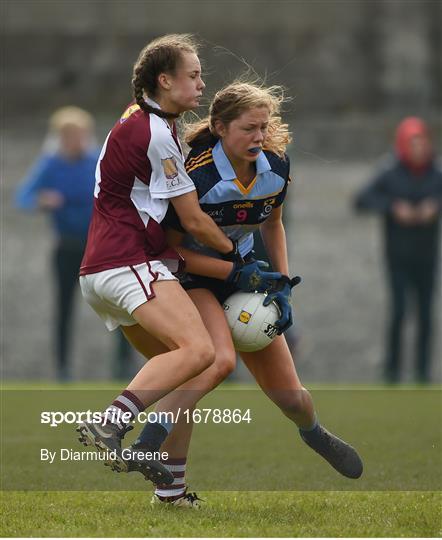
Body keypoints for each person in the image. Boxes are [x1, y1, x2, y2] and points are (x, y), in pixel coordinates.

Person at [120, 81, 363, 507]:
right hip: (191, 278)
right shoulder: (198, 174)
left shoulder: (276, 165)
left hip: (245, 274)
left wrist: (282, 283)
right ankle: (151, 446)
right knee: (214, 360)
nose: (259, 137)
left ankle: (314, 433)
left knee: (292, 398)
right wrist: (234, 271)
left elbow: (272, 223)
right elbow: (170, 248)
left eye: (264, 128)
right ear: (220, 127)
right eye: (249, 128)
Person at [76, 35, 280, 484]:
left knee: (182, 372)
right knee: (200, 351)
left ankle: (171, 486)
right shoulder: (156, 133)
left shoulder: (144, 121)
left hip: (103, 268)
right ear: (164, 81)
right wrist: (239, 261)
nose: (201, 85)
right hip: (126, 261)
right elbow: (195, 220)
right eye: (193, 76)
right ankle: (109, 423)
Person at [355, 117, 442, 383]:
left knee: (426, 314)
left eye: (422, 142)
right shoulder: (390, 171)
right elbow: (361, 200)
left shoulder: (436, 172)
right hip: (398, 257)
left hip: (427, 257)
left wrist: (434, 206)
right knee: (399, 311)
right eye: (413, 143)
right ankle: (392, 371)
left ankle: (422, 372)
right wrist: (393, 207)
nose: (419, 149)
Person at [15, 106, 99, 381]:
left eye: (79, 134)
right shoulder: (50, 164)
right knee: (64, 308)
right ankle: (62, 368)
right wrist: (43, 200)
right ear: (60, 137)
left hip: (97, 249)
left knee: (120, 306)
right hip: (66, 247)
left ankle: (122, 366)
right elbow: (23, 197)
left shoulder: (95, 161)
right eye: (69, 135)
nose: (75, 140)